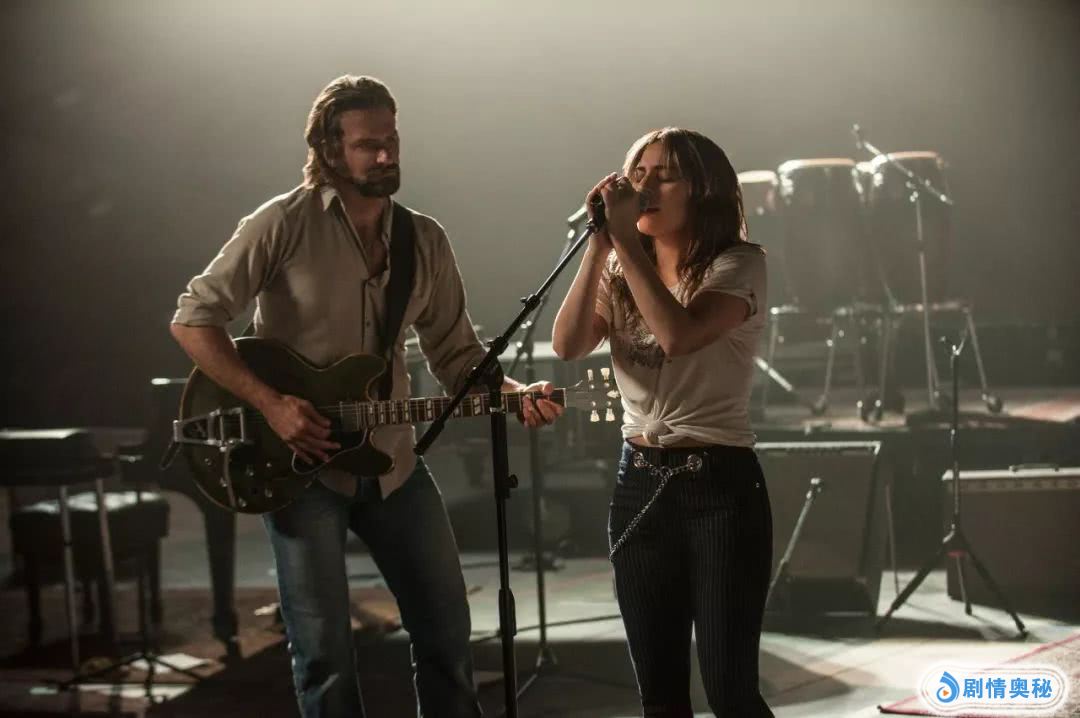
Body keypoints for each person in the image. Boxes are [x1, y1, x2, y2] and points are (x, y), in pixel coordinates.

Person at [170, 75, 562, 718]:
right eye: (366, 145)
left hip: (394, 464)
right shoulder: (282, 223)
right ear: (329, 151)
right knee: (324, 656)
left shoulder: (424, 239)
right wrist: (271, 404)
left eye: (392, 140)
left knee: (448, 635)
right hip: (300, 469)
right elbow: (193, 319)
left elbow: (457, 355)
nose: (385, 155)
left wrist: (515, 394)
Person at [552, 127, 774, 717]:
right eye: (638, 173)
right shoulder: (620, 264)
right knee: (660, 697)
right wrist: (600, 247)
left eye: (666, 176)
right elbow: (568, 344)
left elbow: (679, 335)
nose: (645, 187)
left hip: (718, 487)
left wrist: (624, 242)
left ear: (703, 190)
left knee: (730, 693)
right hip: (639, 481)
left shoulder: (739, 264)